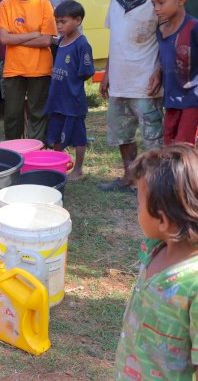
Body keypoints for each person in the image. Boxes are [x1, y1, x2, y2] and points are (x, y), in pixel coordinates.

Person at [115, 143, 198, 380]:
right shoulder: (155, 249)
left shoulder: (193, 285)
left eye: (139, 203)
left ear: (162, 219)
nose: (137, 209)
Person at [99, 0, 163, 193]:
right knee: (122, 134)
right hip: (120, 80)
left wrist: (159, 70)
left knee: (152, 138)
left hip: (146, 81)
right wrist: (107, 73)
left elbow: (166, 39)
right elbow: (116, 36)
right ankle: (129, 177)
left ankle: (154, 184)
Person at [0, 0, 56, 141]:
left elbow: (46, 39)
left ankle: (36, 150)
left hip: (40, 69)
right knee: (12, 114)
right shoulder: (5, 5)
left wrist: (17, 40)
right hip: (14, 69)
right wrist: (33, 34)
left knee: (38, 112)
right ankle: (13, 152)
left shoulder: (44, 4)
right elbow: (4, 38)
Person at [44, 1, 95, 180]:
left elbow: (88, 71)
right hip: (57, 99)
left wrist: (72, 83)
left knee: (78, 136)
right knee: (56, 135)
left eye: (63, 22)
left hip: (73, 101)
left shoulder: (82, 44)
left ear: (78, 20)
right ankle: (60, 166)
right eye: (57, 21)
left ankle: (78, 169)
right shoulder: (62, 41)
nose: (59, 26)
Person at [151, 0, 198, 145]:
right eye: (153, 4)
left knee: (183, 146)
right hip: (171, 98)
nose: (156, 8)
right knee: (169, 144)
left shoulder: (194, 27)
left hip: (192, 98)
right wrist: (158, 72)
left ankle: (188, 173)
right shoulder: (161, 30)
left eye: (161, 3)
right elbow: (166, 58)